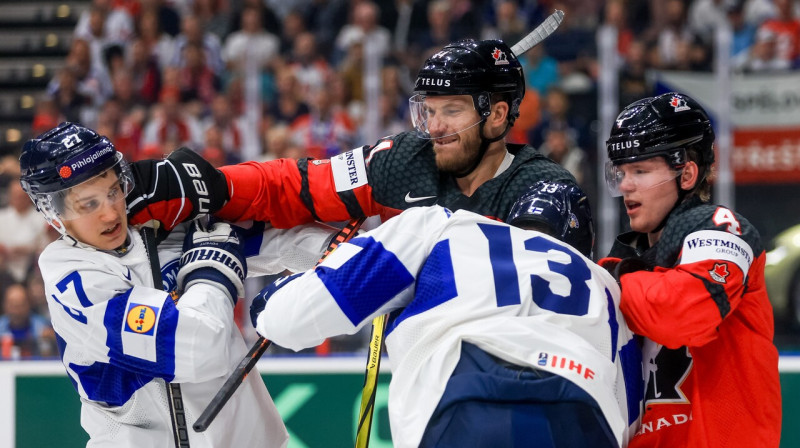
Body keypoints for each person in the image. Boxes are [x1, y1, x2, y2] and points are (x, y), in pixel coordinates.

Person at [250, 181, 642, 447]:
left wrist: (265, 303)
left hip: (467, 398)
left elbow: (295, 316)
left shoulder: (448, 227)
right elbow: (630, 417)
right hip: (584, 413)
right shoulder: (608, 289)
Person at [19, 122, 338, 447]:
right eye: (88, 204)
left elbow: (283, 243)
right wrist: (213, 268)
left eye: (114, 190)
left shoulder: (158, 225)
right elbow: (199, 349)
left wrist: (355, 254)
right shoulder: (71, 281)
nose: (110, 212)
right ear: (52, 212)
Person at [126, 38, 576, 234]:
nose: (434, 127)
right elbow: (299, 186)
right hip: (424, 398)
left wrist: (374, 270)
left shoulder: (545, 190)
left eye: (452, 111)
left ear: (498, 116)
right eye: (428, 111)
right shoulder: (403, 161)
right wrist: (217, 186)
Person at [600, 92, 781, 446]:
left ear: (687, 174)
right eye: (620, 172)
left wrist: (616, 278)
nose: (625, 185)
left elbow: (681, 315)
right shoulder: (627, 257)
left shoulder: (724, 228)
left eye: (640, 170)